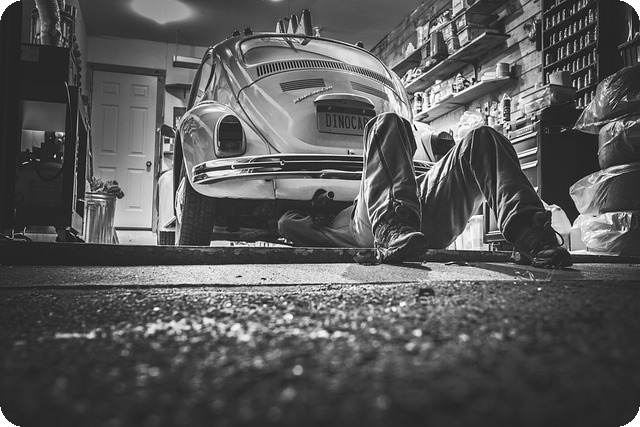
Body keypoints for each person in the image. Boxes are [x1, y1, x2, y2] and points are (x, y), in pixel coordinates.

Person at [277, 112, 572, 269]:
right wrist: (317, 207)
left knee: (483, 138)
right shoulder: (321, 224)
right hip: (375, 229)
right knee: (386, 123)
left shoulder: (380, 178)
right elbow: (285, 223)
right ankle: (392, 228)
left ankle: (530, 234)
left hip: (420, 213)